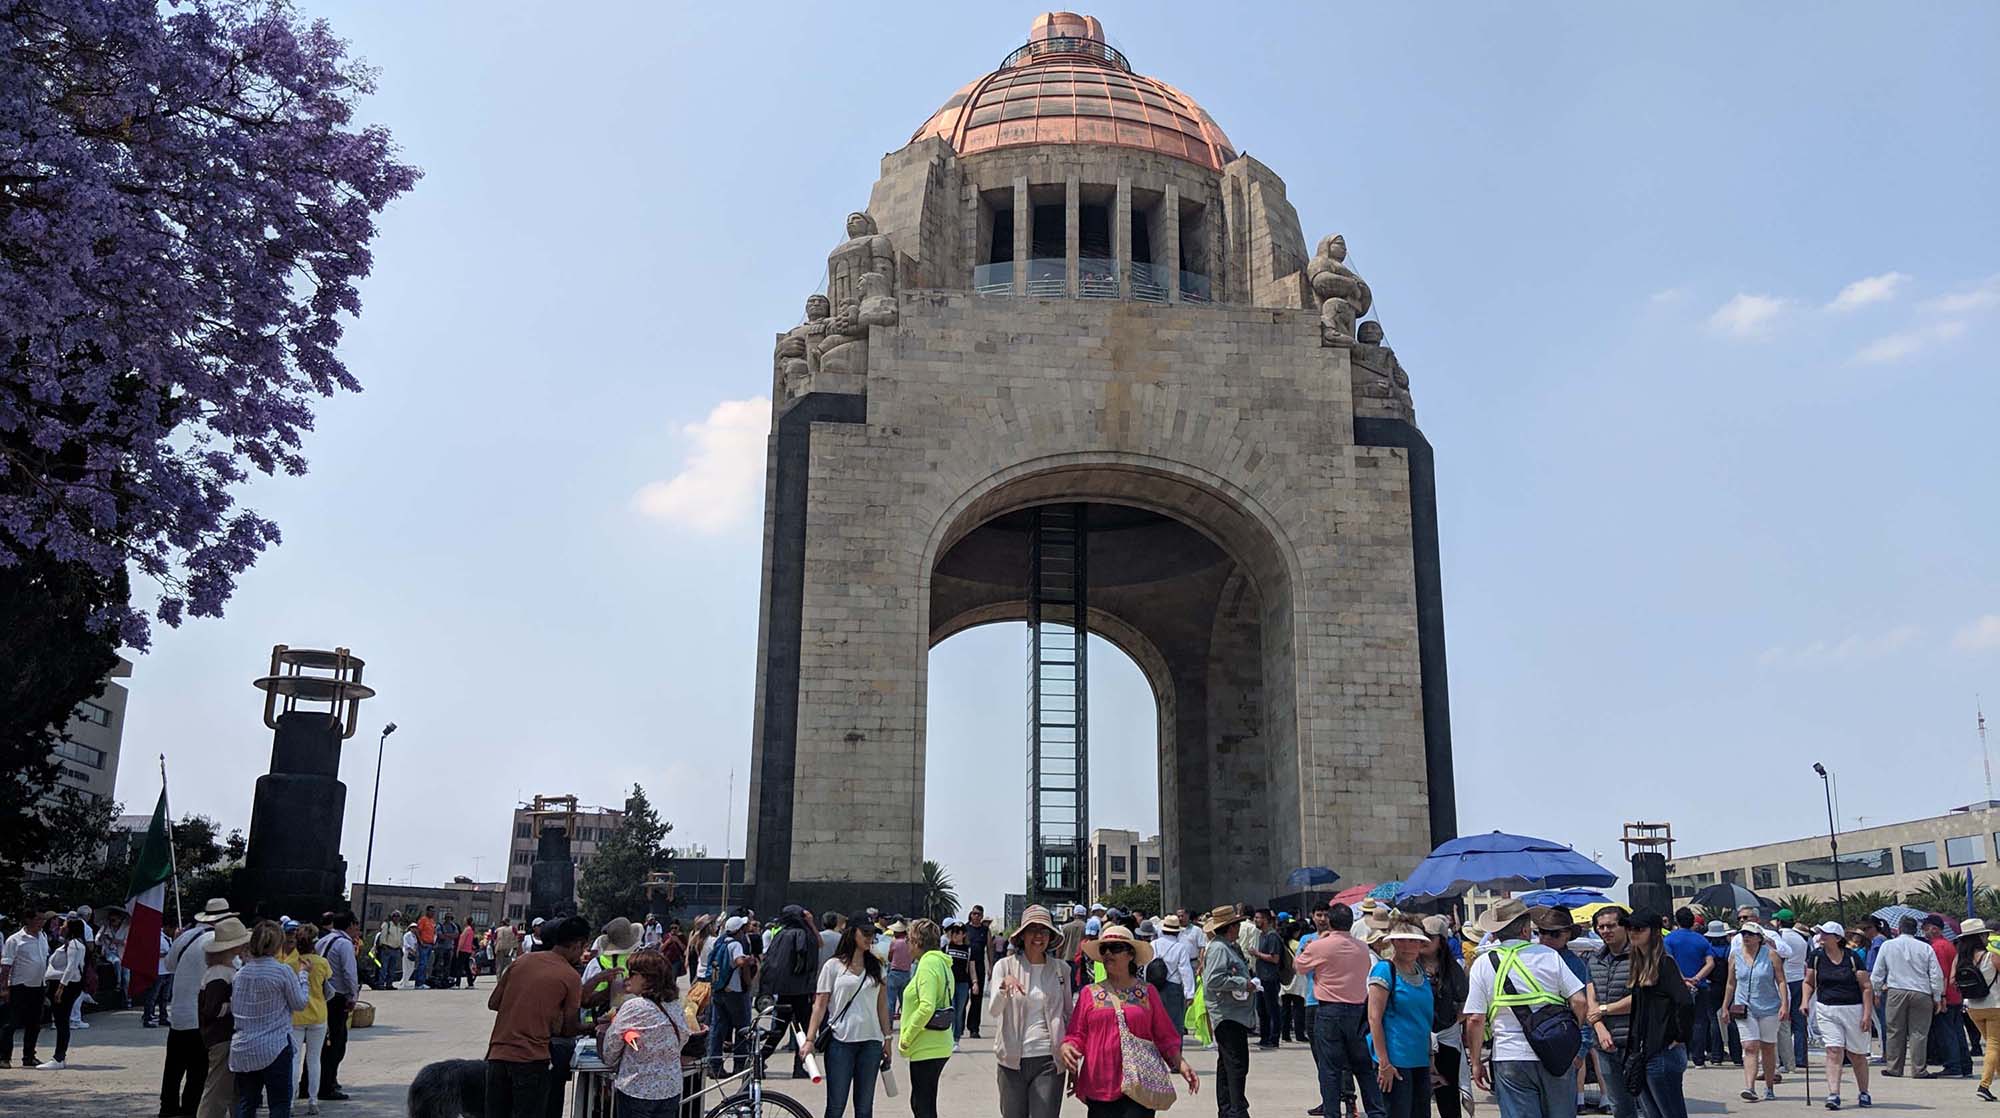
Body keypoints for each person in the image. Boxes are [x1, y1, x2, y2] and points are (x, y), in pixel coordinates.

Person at [1463, 896, 1589, 1118]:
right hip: (1555, 1052)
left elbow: (1475, 1019)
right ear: (1524, 930)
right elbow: (1579, 1001)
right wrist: (1570, 1034)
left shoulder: (1483, 963)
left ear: (1495, 933)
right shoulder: (1549, 956)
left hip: (1509, 1055)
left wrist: (1475, 1062)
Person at [1059, 924, 1198, 1117]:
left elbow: (1164, 1035)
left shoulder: (1148, 992)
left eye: (1115, 948)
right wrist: (1068, 1047)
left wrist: (1181, 1064)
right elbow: (1077, 1034)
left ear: (1130, 955)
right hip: (1100, 1083)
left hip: (1140, 1084)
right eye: (1103, 949)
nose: (1108, 953)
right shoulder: (1089, 994)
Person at [484, 914, 587, 1118]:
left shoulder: (521, 962)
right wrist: (593, 1026)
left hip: (497, 1056)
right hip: (531, 1060)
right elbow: (568, 1028)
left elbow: (493, 1003)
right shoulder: (570, 976)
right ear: (577, 945)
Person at [1592, 910, 1692, 1118]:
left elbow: (1685, 1002)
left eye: (1639, 929)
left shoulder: (1665, 963)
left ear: (1654, 932)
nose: (1633, 933)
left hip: (1663, 1053)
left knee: (1670, 1113)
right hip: (1643, 1053)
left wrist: (1680, 1036)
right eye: (1629, 928)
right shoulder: (1641, 963)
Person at [1296, 902, 1384, 1118]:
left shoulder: (1320, 945)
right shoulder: (1363, 948)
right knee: (1364, 1068)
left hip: (1329, 1010)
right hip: (1358, 1010)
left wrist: (1318, 945)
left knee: (1330, 1069)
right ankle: (1376, 1112)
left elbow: (1299, 966)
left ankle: (1332, 1113)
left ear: (1330, 921)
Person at [801, 921, 890, 1118]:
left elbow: (882, 1006)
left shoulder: (877, 965)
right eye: (865, 932)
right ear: (852, 933)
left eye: (872, 933)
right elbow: (820, 1005)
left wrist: (888, 1039)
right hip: (841, 1041)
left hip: (871, 1042)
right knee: (835, 1105)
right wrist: (809, 1039)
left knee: (865, 1107)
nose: (869, 937)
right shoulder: (832, 966)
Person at [990, 905, 1071, 1118]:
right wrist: (1003, 988)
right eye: (1032, 929)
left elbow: (1068, 1015)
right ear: (1022, 935)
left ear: (1050, 936)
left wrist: (1072, 1058)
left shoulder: (1061, 970)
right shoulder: (1004, 966)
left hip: (1049, 1059)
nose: (1038, 936)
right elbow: (993, 1010)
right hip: (1012, 1060)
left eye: (1044, 930)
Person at [231, 921, 312, 1118]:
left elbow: (236, 1008)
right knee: (279, 1103)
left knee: (246, 1102)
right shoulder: (282, 971)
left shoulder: (240, 974)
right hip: (274, 1045)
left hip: (244, 1046)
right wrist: (303, 977)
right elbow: (299, 1003)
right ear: (278, 945)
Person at [602, 949, 688, 1118]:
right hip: (670, 1087)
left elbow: (611, 1046)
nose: (628, 977)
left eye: (632, 973)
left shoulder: (634, 1007)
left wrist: (612, 1061)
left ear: (645, 977)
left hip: (637, 1088)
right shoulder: (675, 1005)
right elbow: (683, 1036)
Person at [1802, 920, 1873, 1110]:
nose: (1821, 937)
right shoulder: (1815, 956)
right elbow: (1808, 982)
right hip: (1826, 1008)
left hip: (1853, 1009)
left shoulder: (1852, 957)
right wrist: (1804, 1001)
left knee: (1856, 1055)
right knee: (1833, 1050)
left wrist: (1867, 1014)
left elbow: (1866, 987)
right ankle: (1834, 1094)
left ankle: (1864, 1091)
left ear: (1837, 938)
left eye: (1825, 934)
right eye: (1820, 933)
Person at [1367, 923, 1434, 1118]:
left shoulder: (1422, 973)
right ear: (1393, 942)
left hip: (1419, 1059)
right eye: (1402, 940)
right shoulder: (1384, 970)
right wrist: (1384, 1063)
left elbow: (1424, 1020)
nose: (1407, 946)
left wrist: (1431, 1058)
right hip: (1395, 1060)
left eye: (1413, 941)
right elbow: (1374, 1018)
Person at [1200, 904, 1257, 1118]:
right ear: (1231, 927)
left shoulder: (1227, 946)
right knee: (1236, 1064)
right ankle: (1237, 1109)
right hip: (1227, 1014)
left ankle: (1228, 1109)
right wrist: (1243, 983)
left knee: (1227, 1064)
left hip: (1233, 1013)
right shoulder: (1219, 948)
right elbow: (1214, 980)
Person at [1872, 914, 1944, 1078]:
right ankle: (1919, 1069)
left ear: (1899, 929)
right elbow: (1935, 974)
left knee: (1894, 1030)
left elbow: (1878, 972)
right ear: (1915, 930)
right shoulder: (1925, 947)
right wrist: (1937, 996)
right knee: (1919, 1032)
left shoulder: (1888, 945)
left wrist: (1876, 992)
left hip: (1896, 990)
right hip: (1921, 992)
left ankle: (1894, 1067)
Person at [1584, 906, 1639, 1118]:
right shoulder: (1594, 959)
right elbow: (1591, 999)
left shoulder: (1639, 956)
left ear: (1624, 926)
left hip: (1635, 1041)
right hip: (1605, 1043)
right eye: (1601, 927)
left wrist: (1604, 1011)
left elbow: (1642, 998)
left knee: (1645, 1103)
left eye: (1611, 926)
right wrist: (1599, 1027)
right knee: (1619, 1106)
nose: (1606, 930)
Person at [194, 917, 252, 1118]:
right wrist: (236, 1005)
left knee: (230, 1090)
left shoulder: (220, 971)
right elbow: (212, 1009)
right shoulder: (220, 973)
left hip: (222, 1036)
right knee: (218, 1091)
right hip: (221, 1037)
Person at [1724, 922, 1788, 1102]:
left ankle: (1769, 1087)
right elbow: (1731, 983)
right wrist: (1725, 1006)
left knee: (1768, 1047)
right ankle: (1750, 1087)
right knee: (1750, 1046)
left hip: (1769, 1007)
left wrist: (1785, 1005)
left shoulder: (1771, 955)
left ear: (1759, 938)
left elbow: (1781, 981)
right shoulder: (1735, 956)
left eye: (1750, 934)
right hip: (1744, 1007)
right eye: (1744, 933)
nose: (1746, 937)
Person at [897, 919, 953, 1118]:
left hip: (926, 1044)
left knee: (922, 1106)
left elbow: (927, 1006)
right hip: (939, 1042)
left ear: (917, 941)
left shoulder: (927, 964)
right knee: (924, 1103)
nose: (907, 946)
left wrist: (906, 1037)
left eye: (909, 941)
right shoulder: (942, 963)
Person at [757, 905, 820, 1076]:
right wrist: (811, 924)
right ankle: (799, 1066)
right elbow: (816, 944)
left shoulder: (780, 934)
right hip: (800, 989)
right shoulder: (802, 934)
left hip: (784, 989)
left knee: (779, 1028)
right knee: (803, 1029)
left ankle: (760, 1058)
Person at [1421, 914, 1469, 1118]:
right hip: (1416, 1037)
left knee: (1448, 1096)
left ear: (1441, 941)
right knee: (1418, 1097)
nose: (1423, 942)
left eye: (1429, 938)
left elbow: (1467, 1001)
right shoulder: (1408, 965)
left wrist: (1455, 1022)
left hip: (1446, 1038)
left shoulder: (1452, 969)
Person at [280, 925, 331, 1115]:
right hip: (318, 1013)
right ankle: (313, 1100)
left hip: (295, 1015)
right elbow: (327, 984)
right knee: (314, 1059)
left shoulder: (290, 962)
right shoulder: (322, 962)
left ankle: (291, 1103)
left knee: (293, 1060)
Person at [1661, 909, 1716, 1069]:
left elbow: (1668, 960)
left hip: (1677, 986)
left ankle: (1682, 1055)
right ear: (1693, 921)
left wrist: (1682, 979)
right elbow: (1710, 962)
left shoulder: (1669, 939)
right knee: (1700, 1022)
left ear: (1676, 921)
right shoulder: (1702, 940)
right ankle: (1699, 1058)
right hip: (1701, 985)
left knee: (1677, 1020)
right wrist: (1697, 978)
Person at [703, 915, 757, 1077]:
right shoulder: (735, 944)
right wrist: (749, 960)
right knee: (742, 1029)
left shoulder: (719, 942)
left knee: (717, 1029)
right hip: (734, 991)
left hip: (718, 990)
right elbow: (739, 962)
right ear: (739, 931)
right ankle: (740, 1065)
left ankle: (714, 1065)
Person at [314, 913, 358, 1103]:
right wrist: (353, 996)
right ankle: (327, 1084)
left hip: (320, 995)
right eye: (356, 925)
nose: (358, 929)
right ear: (350, 925)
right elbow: (349, 972)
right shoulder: (345, 944)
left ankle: (310, 1084)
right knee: (336, 1043)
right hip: (337, 997)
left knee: (319, 1043)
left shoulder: (323, 941)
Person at [1922, 913, 1972, 1078]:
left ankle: (1953, 1066)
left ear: (1934, 929)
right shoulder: (1948, 944)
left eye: (1925, 927)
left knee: (1946, 1033)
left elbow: (1941, 974)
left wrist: (1940, 997)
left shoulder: (1937, 947)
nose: (1923, 930)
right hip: (1955, 995)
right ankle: (1965, 1065)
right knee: (1957, 1031)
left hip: (1947, 996)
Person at [2, 907, 53, 1069]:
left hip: (38, 986)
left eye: (43, 920)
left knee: (34, 1023)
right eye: (38, 919)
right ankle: (4, 1057)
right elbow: (6, 966)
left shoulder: (43, 937)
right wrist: (3, 987)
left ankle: (29, 1055)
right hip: (19, 985)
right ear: (29, 920)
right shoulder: (15, 940)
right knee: (11, 1023)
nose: (42, 923)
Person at [1956, 917, 2000, 1102]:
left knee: (1994, 1046)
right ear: (1980, 936)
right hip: (1995, 1005)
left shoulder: (1961, 959)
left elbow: (1952, 980)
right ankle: (1984, 1085)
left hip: (1973, 1007)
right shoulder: (1991, 955)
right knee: (1994, 1046)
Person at [42, 916, 89, 1070]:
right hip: (62, 984)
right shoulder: (69, 944)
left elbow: (71, 967)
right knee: (61, 1020)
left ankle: (59, 1057)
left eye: (64, 924)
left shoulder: (74, 944)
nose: (61, 927)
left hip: (65, 985)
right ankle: (59, 1056)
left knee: (62, 1021)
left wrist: (61, 988)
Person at [1771, 910, 1811, 1075]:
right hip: (1799, 980)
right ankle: (1801, 1057)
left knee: (1783, 1021)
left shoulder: (1780, 938)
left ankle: (1783, 1058)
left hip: (1785, 980)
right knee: (1800, 1022)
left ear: (1779, 922)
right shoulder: (1800, 939)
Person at [1152, 914, 1194, 1037]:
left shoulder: (1153, 944)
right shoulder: (1180, 948)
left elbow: (1147, 967)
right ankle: (1175, 1054)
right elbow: (1185, 971)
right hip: (1173, 987)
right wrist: (1189, 993)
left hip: (1154, 987)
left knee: (1156, 1023)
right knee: (1175, 1025)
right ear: (1177, 932)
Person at [1250, 908, 1284, 1049]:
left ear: (1265, 919)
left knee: (1272, 1009)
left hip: (1270, 978)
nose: (1256, 920)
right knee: (1261, 1009)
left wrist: (1257, 954)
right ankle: (1264, 1037)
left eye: (1258, 918)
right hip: (1261, 978)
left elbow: (1275, 958)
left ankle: (1274, 1038)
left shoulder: (1272, 936)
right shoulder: (1261, 935)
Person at [944, 920, 976, 1050]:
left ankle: (956, 1039)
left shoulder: (968, 950)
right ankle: (948, 1038)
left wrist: (975, 982)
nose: (956, 935)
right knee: (950, 1010)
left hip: (963, 984)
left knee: (959, 1012)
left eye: (959, 932)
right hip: (949, 984)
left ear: (964, 934)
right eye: (954, 932)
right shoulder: (946, 949)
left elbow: (972, 968)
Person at [966, 906, 991, 1040]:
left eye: (979, 914)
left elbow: (990, 948)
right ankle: (958, 1027)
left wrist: (991, 966)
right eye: (974, 913)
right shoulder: (965, 929)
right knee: (963, 998)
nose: (976, 916)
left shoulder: (985, 930)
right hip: (965, 966)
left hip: (980, 966)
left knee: (977, 1000)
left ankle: (974, 1028)